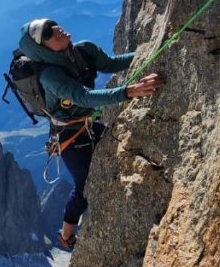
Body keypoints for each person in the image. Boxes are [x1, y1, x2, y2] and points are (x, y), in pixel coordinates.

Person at [18, 17, 163, 250]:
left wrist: (148, 50)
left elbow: (112, 64)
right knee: (84, 186)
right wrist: (129, 92)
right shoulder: (50, 76)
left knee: (123, 148)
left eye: (54, 27)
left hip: (86, 125)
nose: (57, 31)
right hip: (68, 137)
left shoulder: (84, 50)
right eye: (48, 35)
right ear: (41, 50)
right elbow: (83, 96)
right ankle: (66, 235)